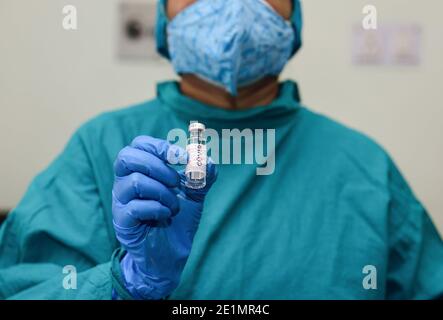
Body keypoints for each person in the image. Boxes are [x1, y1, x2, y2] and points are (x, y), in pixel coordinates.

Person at [1, 0, 443, 300]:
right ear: (162, 16)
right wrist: (122, 285)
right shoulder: (99, 147)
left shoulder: (365, 167)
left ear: (294, 16)